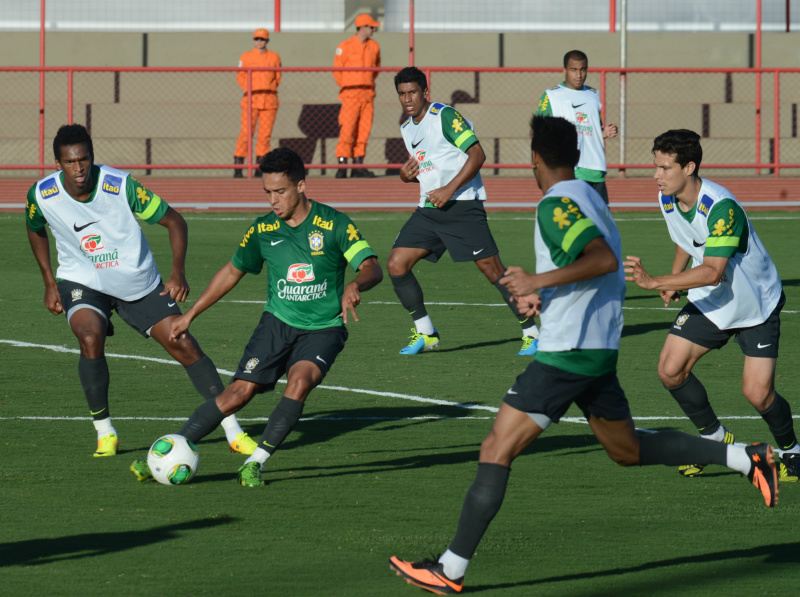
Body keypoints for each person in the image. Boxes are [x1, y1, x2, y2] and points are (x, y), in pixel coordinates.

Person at [388, 117, 778, 596]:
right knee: (626, 450)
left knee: (495, 449)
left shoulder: (557, 203)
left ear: (535, 159)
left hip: (566, 354)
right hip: (595, 348)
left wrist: (536, 283)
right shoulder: (590, 195)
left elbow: (600, 260)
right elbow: (593, 269)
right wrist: (542, 297)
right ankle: (745, 457)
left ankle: (449, 571)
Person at [130, 147, 383, 487]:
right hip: (276, 324)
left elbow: (372, 267)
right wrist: (190, 315)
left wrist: (356, 284)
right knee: (237, 393)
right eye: (268, 193)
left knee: (299, 382)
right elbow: (232, 273)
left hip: (322, 329)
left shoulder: (334, 224)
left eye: (280, 192)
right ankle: (168, 454)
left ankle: (255, 463)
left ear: (301, 186)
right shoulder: (263, 230)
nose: (273, 201)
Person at [25, 123, 257, 457]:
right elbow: (35, 228)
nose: (78, 168)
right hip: (83, 281)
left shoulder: (120, 186)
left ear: (92, 157)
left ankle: (233, 431)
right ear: (57, 163)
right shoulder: (42, 194)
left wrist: (177, 272)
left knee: (184, 344)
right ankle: (105, 432)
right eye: (70, 161)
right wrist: (49, 282)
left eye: (84, 159)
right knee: (90, 337)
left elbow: (175, 221)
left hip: (137, 282)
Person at [624, 129, 799, 482]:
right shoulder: (668, 197)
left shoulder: (722, 208)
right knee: (670, 370)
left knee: (757, 393)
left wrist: (656, 281)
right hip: (712, 300)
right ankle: (715, 441)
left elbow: (713, 271)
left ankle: (793, 452)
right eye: (655, 166)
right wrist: (675, 278)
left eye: (664, 168)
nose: (656, 175)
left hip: (754, 303)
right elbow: (687, 240)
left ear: (688, 167)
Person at [389, 66, 539, 356]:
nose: (407, 98)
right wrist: (406, 177)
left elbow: (477, 154)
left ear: (425, 92)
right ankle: (426, 332)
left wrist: (449, 190)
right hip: (430, 209)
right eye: (402, 94)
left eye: (413, 92)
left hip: (463, 206)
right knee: (397, 263)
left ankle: (533, 333)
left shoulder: (445, 116)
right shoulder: (407, 128)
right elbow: (426, 166)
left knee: (492, 270)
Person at [535, 49, 617, 204]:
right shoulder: (551, 96)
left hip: (596, 168)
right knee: (576, 221)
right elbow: (538, 131)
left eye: (583, 70)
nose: (579, 75)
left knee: (601, 224)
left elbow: (593, 129)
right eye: (573, 70)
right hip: (571, 170)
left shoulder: (593, 94)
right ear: (564, 70)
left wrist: (604, 133)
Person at [333, 13, 380, 178]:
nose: (374, 29)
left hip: (367, 94)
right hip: (350, 95)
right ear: (362, 27)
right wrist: (348, 85)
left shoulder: (374, 46)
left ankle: (358, 164)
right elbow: (337, 72)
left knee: (364, 130)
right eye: (371, 26)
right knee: (347, 130)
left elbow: (376, 70)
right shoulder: (344, 46)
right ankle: (342, 164)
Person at [234, 27, 282, 178]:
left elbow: (277, 78)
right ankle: (238, 165)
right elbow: (240, 76)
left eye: (262, 39)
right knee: (246, 133)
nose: (259, 42)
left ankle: (259, 166)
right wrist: (251, 88)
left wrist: (268, 88)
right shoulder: (246, 57)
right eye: (257, 39)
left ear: (267, 41)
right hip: (251, 100)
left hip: (269, 101)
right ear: (254, 41)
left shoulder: (274, 57)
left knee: (265, 136)